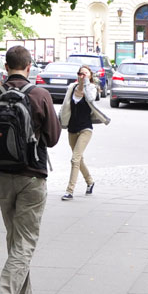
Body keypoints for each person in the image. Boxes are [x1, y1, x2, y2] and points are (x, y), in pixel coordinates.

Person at [0, 45, 61, 294]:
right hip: (32, 176)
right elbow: (53, 138)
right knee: (25, 239)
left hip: (2, 176)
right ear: (29, 67)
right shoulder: (40, 94)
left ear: (6, 66)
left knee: (15, 235)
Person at [59, 65, 110, 201]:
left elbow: (91, 98)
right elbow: (65, 105)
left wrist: (86, 83)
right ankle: (90, 181)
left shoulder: (92, 88)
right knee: (78, 159)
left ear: (90, 76)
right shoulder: (72, 88)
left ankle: (69, 191)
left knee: (74, 159)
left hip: (85, 128)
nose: (82, 76)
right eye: (80, 74)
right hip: (72, 128)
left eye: (85, 74)